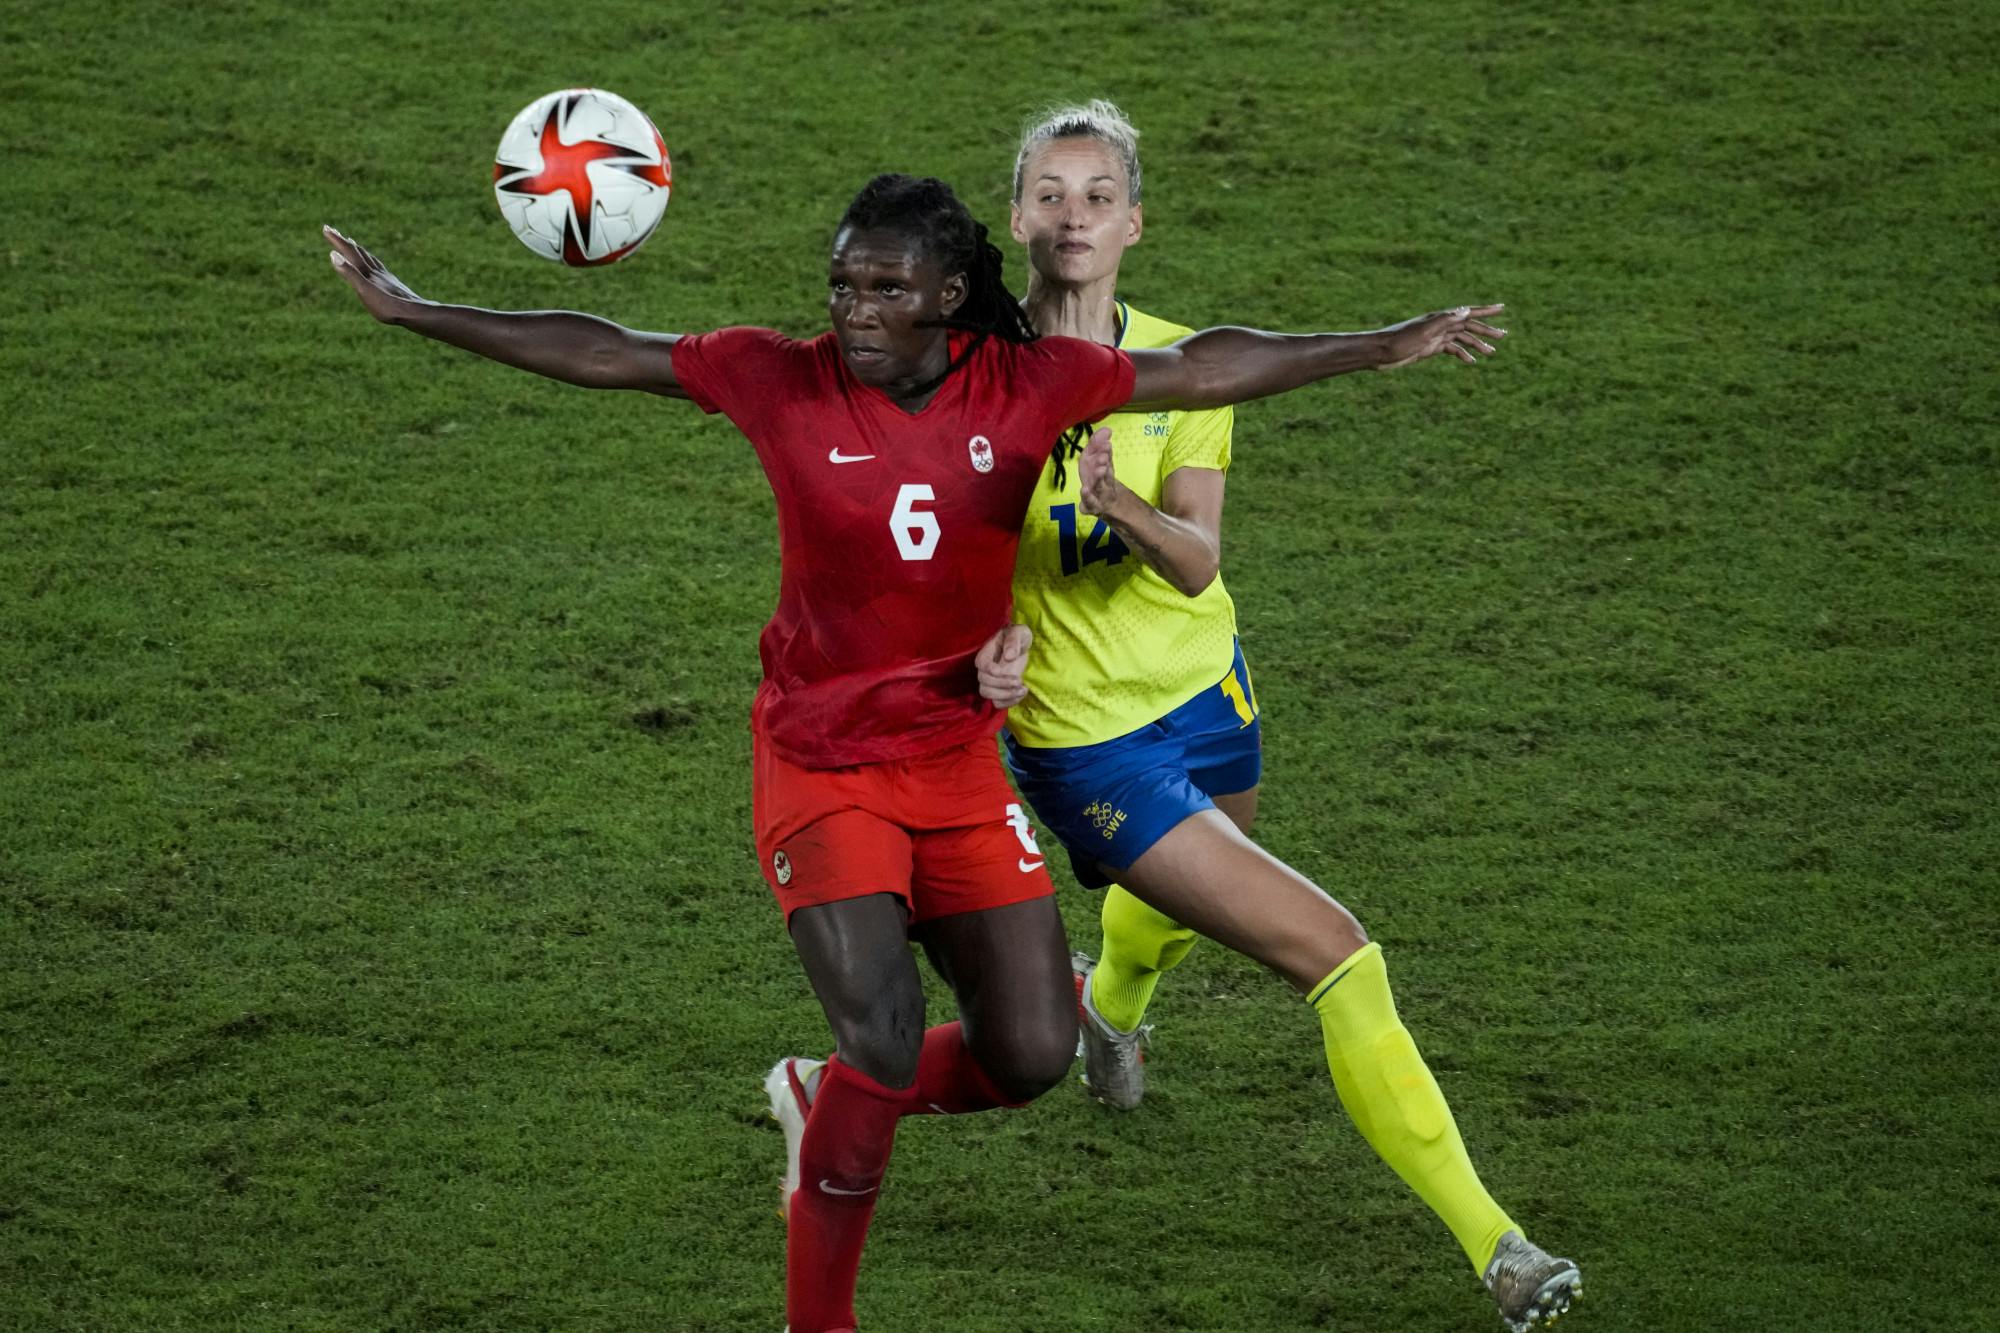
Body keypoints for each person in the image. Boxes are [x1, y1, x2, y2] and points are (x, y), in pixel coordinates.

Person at [323, 171, 1502, 1333]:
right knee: (879, 1038)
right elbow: (599, 348)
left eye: (885, 287)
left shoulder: (1031, 385)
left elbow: (1198, 369)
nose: (853, 309)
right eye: (841, 284)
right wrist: (418, 309)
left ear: (947, 293)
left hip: (949, 764)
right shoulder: (776, 378)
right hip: (822, 762)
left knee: (1033, 1051)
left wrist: (1382, 344)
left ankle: (816, 1099)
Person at [987, 102, 1581, 1332]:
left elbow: (1197, 560)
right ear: (1014, 217)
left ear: (1134, 221)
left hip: (1208, 692)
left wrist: (1122, 506)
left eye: (1098, 195)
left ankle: (1112, 1011)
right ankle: (1500, 1247)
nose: (1073, 216)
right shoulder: (973, 378)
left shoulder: (1176, 367)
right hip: (1085, 738)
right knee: (1335, 951)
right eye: (1050, 193)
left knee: (1177, 906)